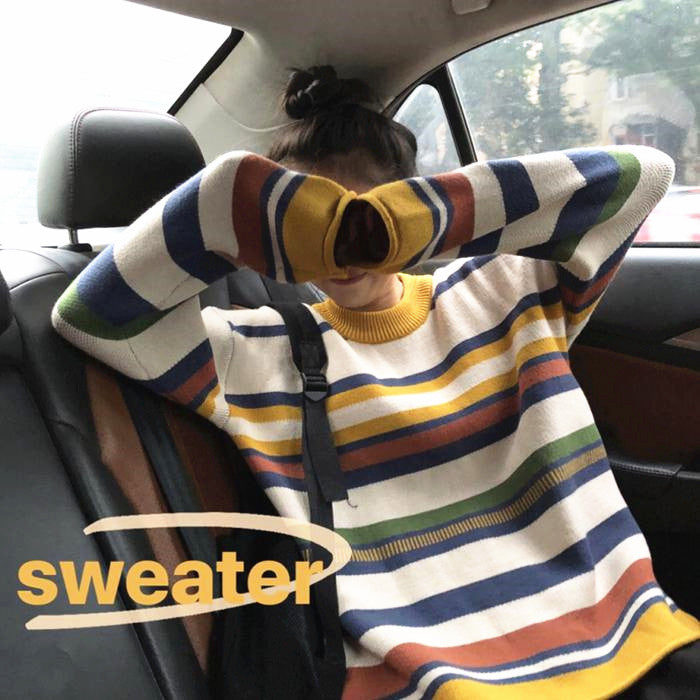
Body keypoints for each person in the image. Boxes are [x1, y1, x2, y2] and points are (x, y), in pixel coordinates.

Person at [51, 65, 700, 699]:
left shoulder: (504, 289)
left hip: (625, 632)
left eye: (366, 220)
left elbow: (640, 178)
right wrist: (231, 192)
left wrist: (422, 219)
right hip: (420, 672)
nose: (341, 250)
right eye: (311, 227)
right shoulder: (258, 351)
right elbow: (90, 316)